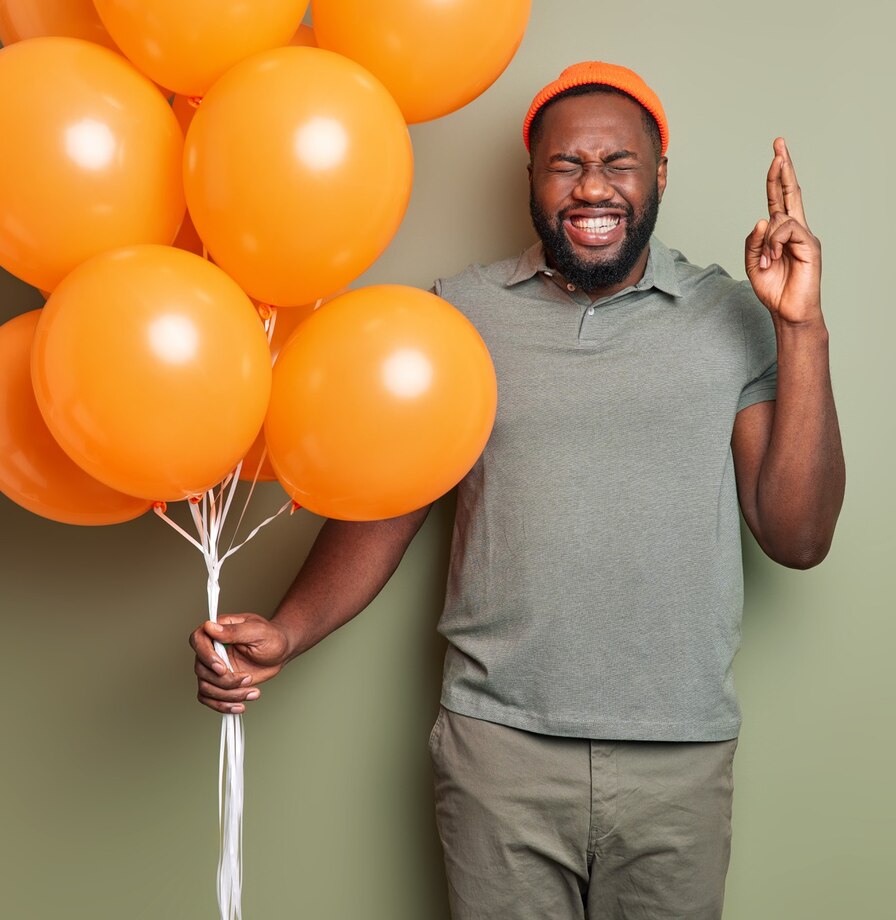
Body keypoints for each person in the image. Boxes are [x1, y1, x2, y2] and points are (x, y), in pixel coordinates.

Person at [188, 61, 844, 920]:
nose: (593, 186)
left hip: (677, 759)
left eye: (620, 163)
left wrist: (799, 326)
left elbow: (797, 536)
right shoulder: (458, 317)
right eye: (567, 164)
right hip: (498, 751)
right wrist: (286, 627)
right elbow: (392, 501)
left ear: (659, 177)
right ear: (532, 178)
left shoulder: (729, 317)